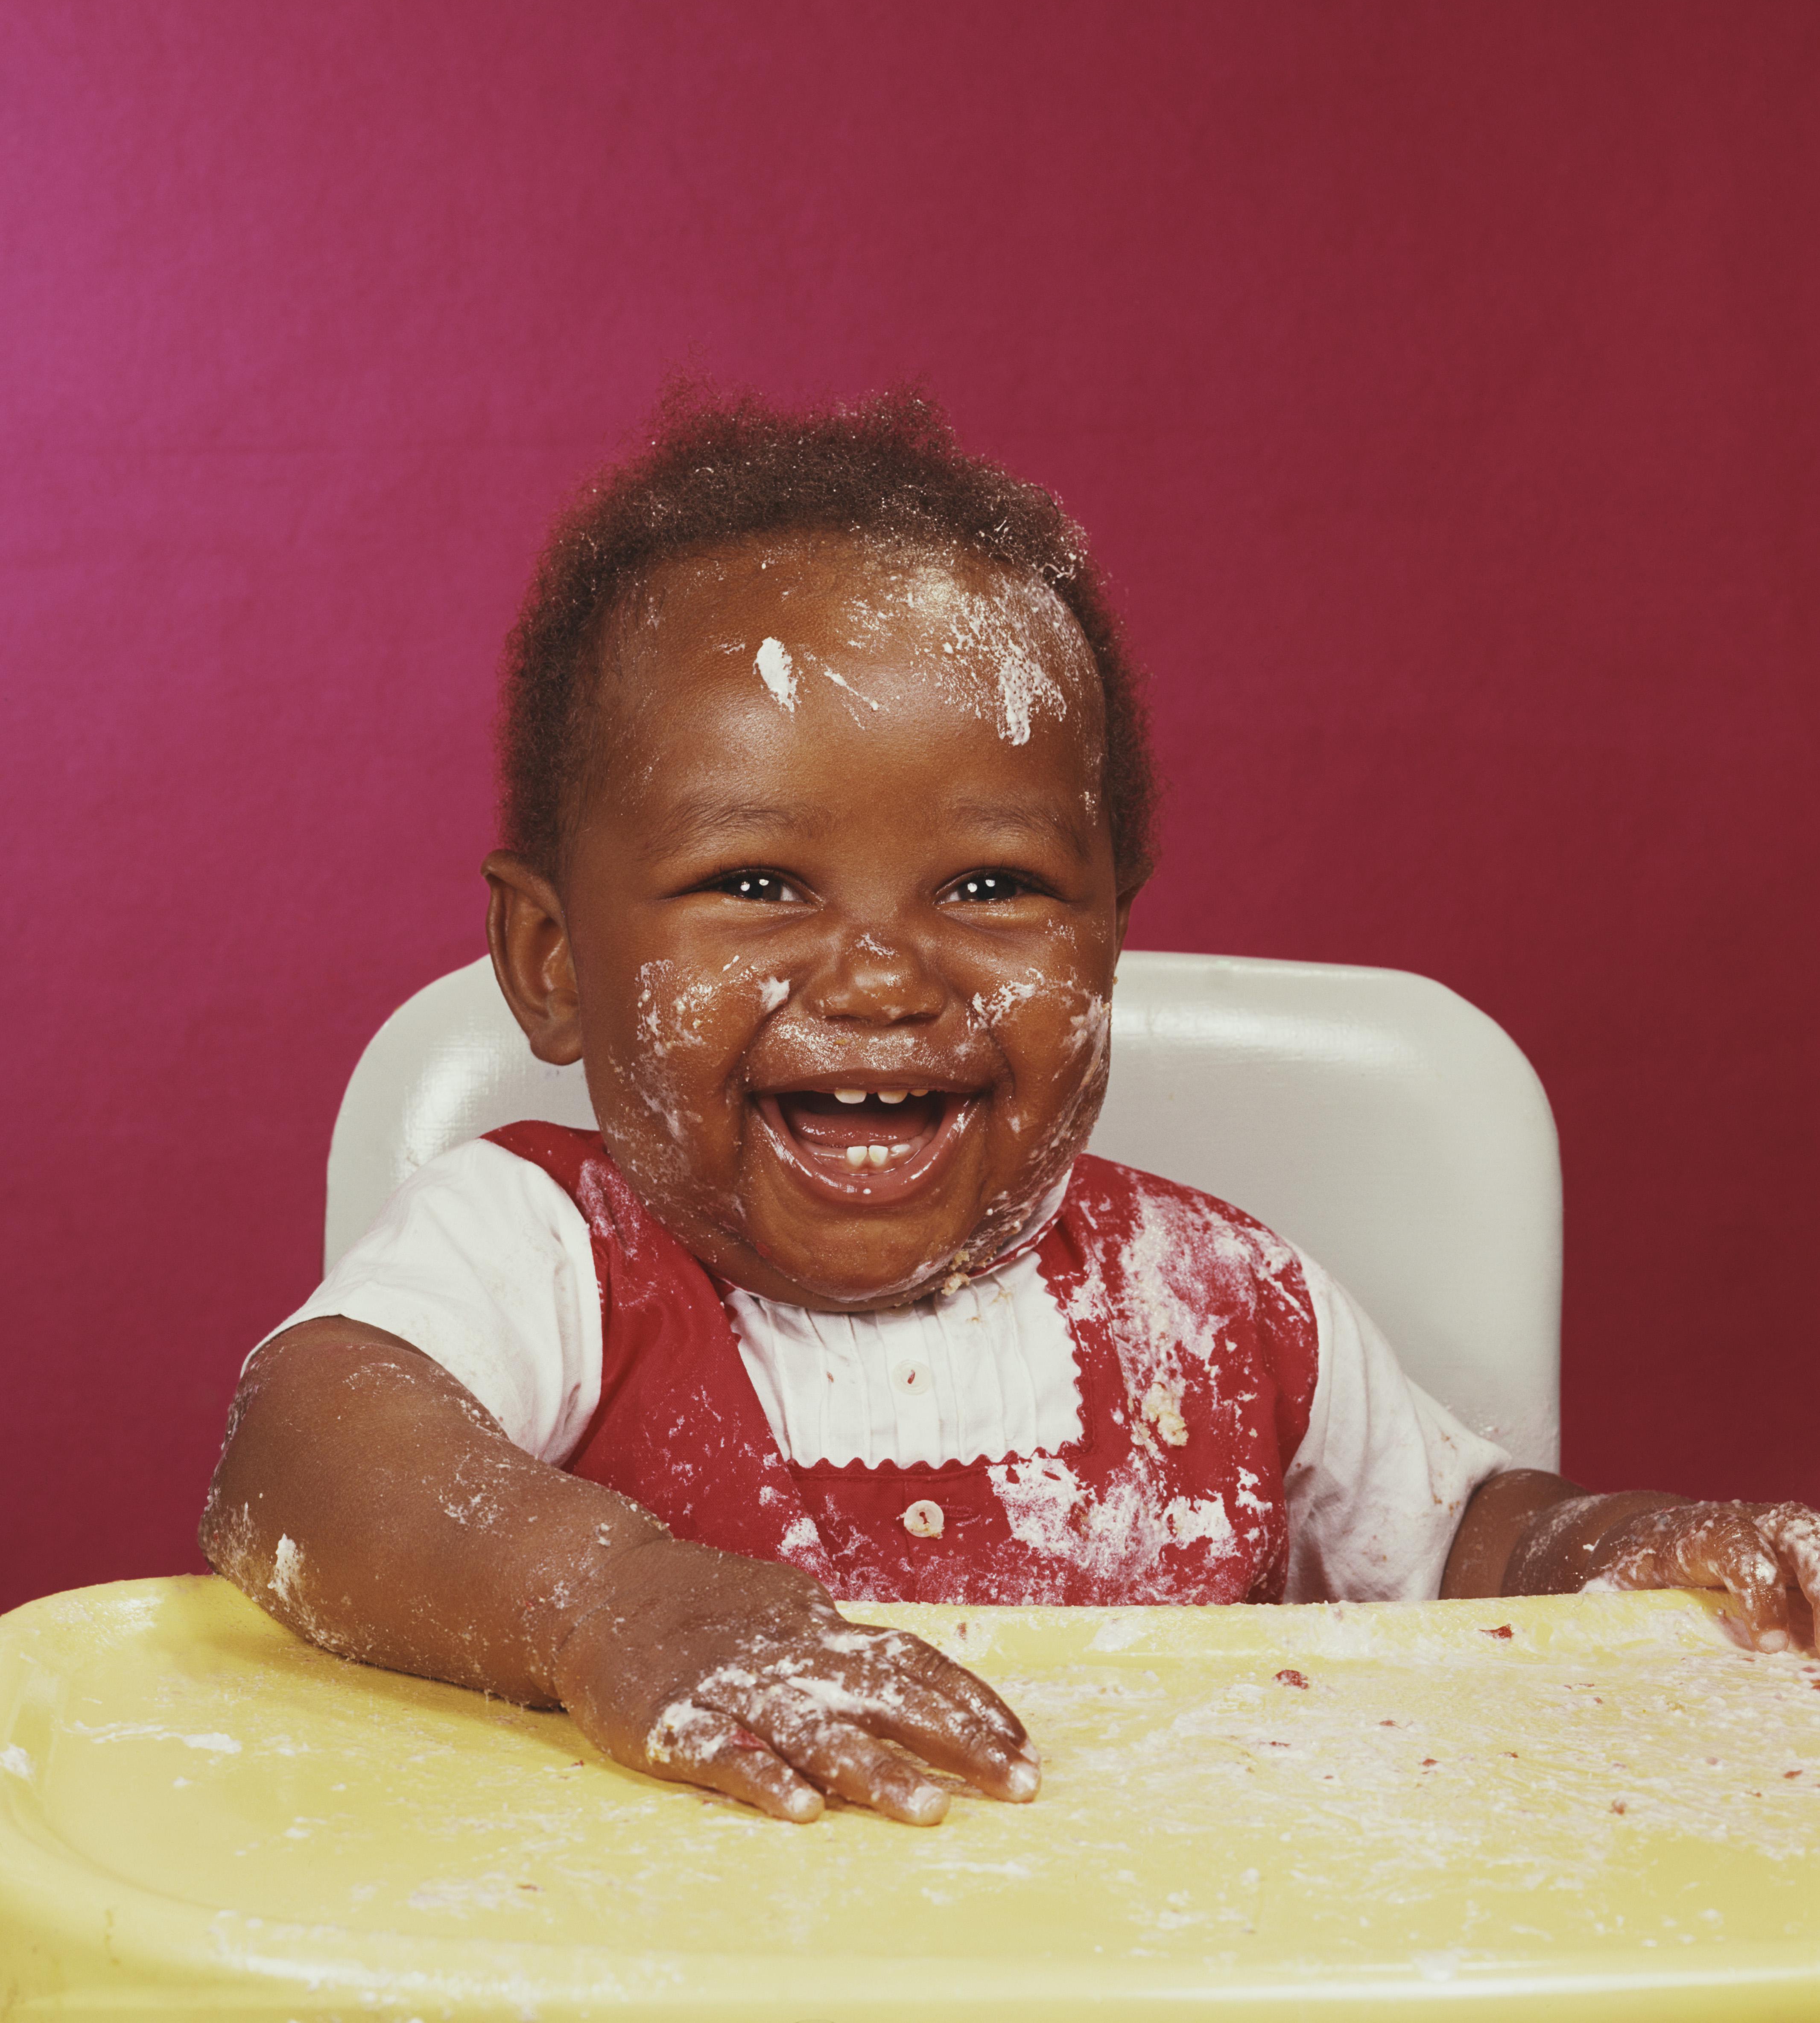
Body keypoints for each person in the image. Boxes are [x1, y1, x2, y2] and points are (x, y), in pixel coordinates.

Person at [201, 389, 1820, 1829]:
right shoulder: (546, 1251)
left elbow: (1464, 1552)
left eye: (992, 885)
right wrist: (618, 1606)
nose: (887, 973)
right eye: (758, 882)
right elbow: (299, 1457)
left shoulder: (1221, 1306)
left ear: (1111, 935)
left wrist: (1625, 1557)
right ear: (553, 961)